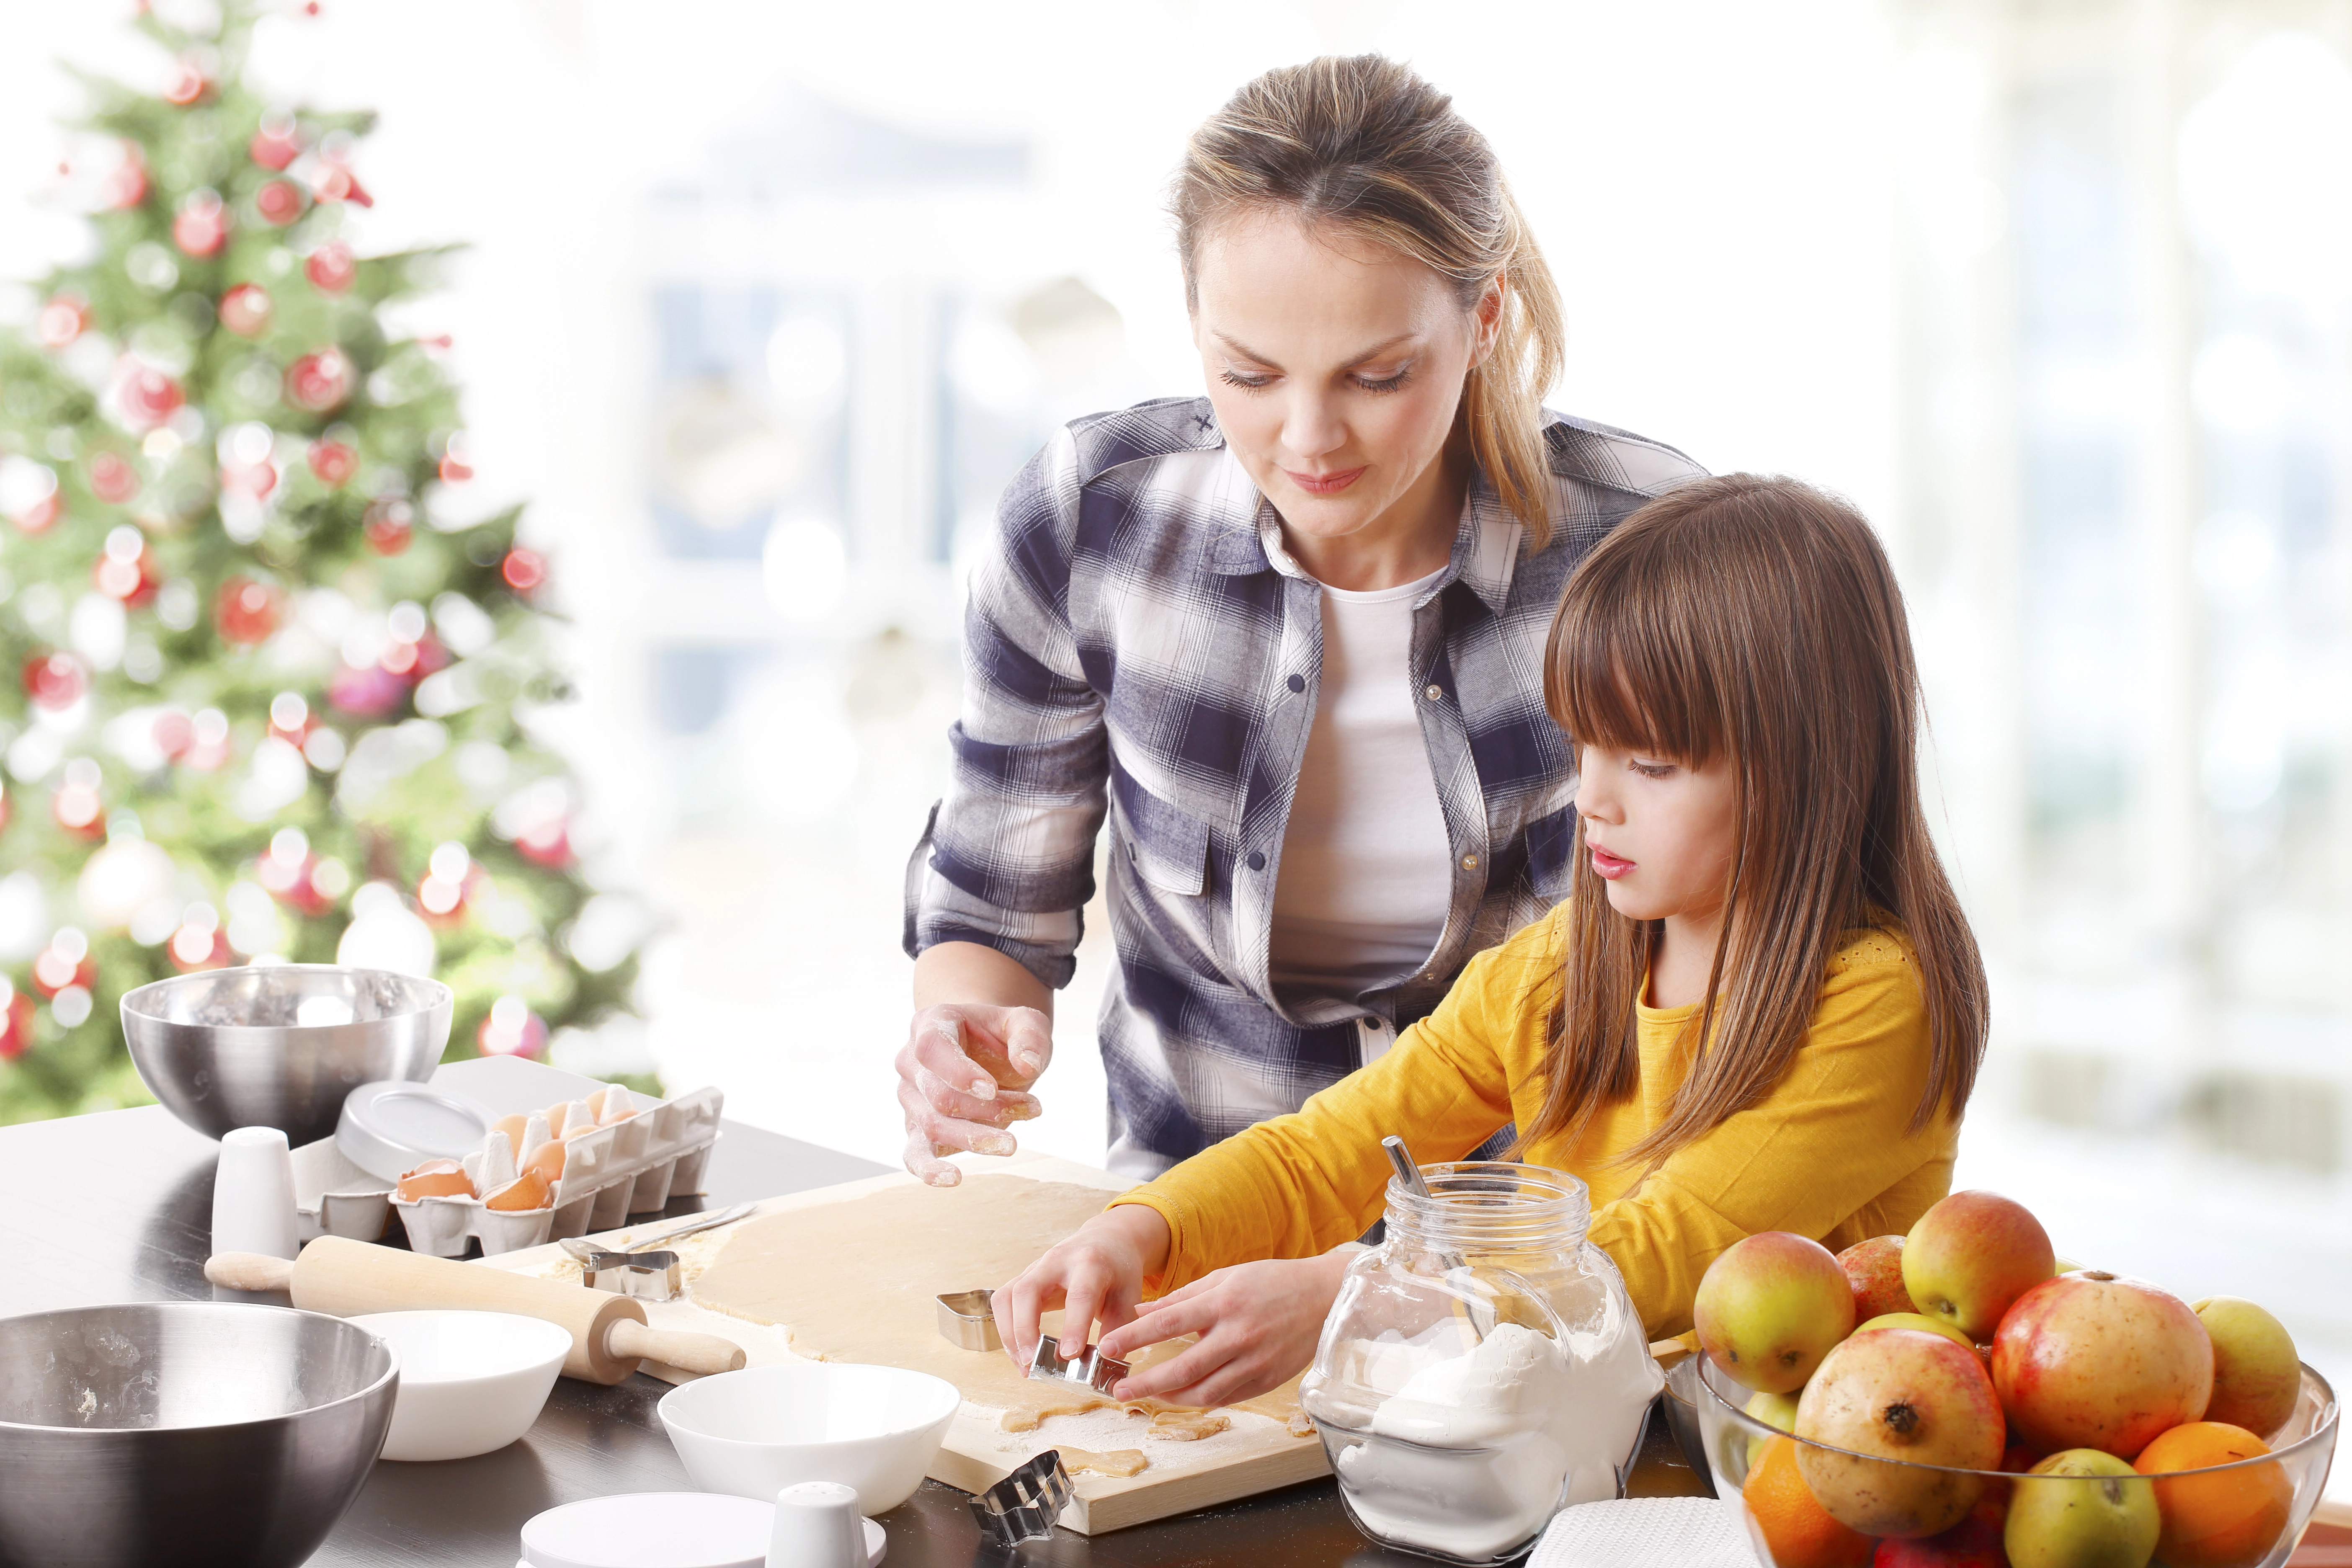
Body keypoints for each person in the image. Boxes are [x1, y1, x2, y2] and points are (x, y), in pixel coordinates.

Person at [992, 474, 1992, 1409]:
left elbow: (1660, 1257)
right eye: (1584, 744)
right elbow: (1326, 1152)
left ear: (1803, 769)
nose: (1591, 799)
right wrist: (1137, 1230)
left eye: (1647, 763)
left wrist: (1361, 1294)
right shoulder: (1560, 968)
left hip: (1755, 1493)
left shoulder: (1877, 1000)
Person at [898, 55, 1702, 1185]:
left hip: (1551, 1252)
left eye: (1377, 378)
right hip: (1190, 1226)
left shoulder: (1653, 550)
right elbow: (993, 898)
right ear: (1193, 324)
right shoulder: (1094, 523)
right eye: (1251, 372)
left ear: (1485, 319)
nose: (1309, 438)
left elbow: (1731, 975)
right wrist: (969, 1034)